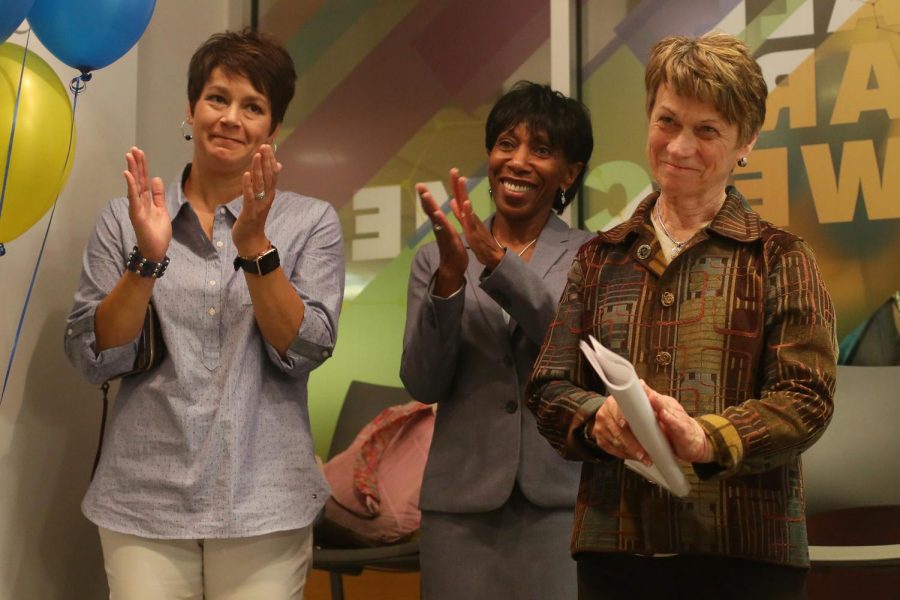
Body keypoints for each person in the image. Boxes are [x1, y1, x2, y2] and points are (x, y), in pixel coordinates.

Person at [527, 33, 836, 599]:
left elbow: (806, 399)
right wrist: (598, 418)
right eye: (667, 121)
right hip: (616, 548)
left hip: (746, 553)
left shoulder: (780, 257)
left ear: (747, 143)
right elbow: (547, 386)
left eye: (707, 130)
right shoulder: (599, 257)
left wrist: (707, 438)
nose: (679, 146)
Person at [64, 29, 344, 599]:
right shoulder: (126, 220)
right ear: (191, 109)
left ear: (273, 130)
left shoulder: (312, 222)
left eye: (253, 107)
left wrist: (255, 246)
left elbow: (306, 350)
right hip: (142, 500)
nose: (231, 118)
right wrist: (148, 259)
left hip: (266, 501)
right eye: (218, 98)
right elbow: (93, 356)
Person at [401, 81, 594, 600]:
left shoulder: (595, 255)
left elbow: (578, 354)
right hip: (459, 506)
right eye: (506, 144)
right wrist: (447, 282)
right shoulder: (439, 256)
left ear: (569, 174)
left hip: (559, 500)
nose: (518, 161)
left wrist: (496, 263)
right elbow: (423, 381)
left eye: (542, 150)